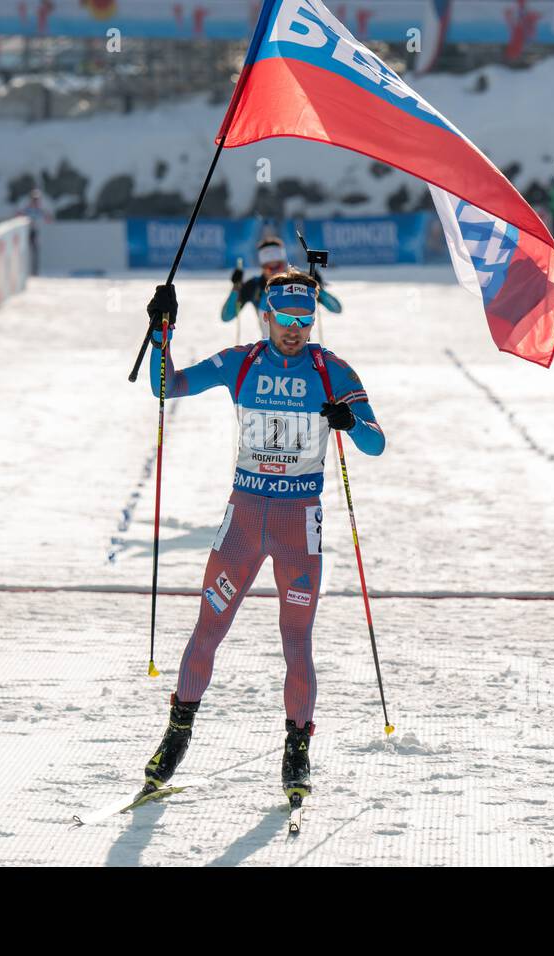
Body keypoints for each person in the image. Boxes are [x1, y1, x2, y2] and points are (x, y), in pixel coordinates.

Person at [142, 271, 385, 803]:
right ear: (267, 314)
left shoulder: (331, 371)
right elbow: (168, 385)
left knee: (296, 643)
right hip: (244, 520)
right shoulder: (242, 361)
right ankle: (175, 738)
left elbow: (377, 444)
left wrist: (349, 421)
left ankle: (296, 752)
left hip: (299, 526)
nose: (294, 330)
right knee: (208, 629)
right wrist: (162, 334)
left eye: (304, 319)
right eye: (284, 318)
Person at [222, 237, 342, 337]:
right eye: (270, 268)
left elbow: (336, 308)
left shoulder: (302, 281)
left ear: (285, 262)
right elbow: (227, 316)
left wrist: (318, 288)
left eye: (278, 266)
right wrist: (236, 288)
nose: (275, 272)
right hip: (269, 352)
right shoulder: (254, 286)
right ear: (262, 267)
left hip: (300, 350)